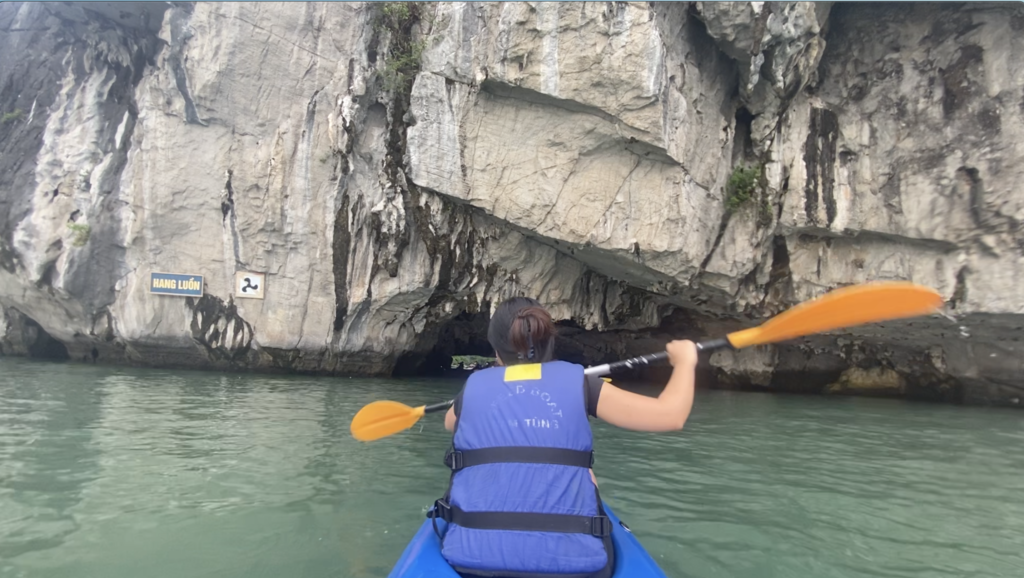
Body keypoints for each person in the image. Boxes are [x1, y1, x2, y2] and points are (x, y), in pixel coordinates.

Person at [427, 296, 698, 578]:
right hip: (574, 568)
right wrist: (685, 362)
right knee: (586, 474)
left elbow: (451, 423)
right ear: (550, 341)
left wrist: (486, 389)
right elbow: (670, 415)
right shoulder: (582, 384)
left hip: (471, 562)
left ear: (496, 350)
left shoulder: (473, 389)